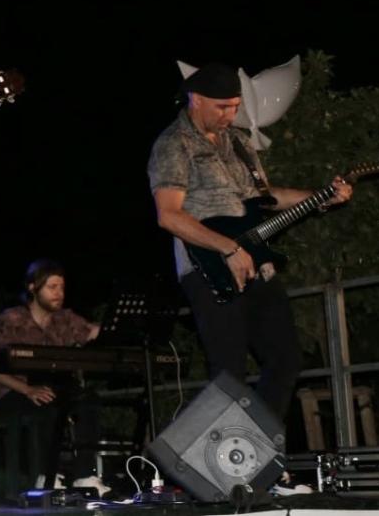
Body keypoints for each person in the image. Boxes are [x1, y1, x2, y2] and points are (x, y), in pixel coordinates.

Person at [148, 62, 351, 419]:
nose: (231, 113)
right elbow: (169, 215)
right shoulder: (173, 144)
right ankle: (222, 466)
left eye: (235, 105)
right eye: (222, 106)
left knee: (286, 359)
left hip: (257, 264)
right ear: (195, 99)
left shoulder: (240, 143)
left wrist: (320, 197)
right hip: (208, 267)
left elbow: (265, 196)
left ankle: (259, 451)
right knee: (229, 372)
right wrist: (228, 248)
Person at [0, 259, 99, 497]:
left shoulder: (66, 319)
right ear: (33, 288)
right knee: (46, 404)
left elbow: (93, 333)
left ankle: (85, 475)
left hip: (54, 389)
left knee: (88, 400)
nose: (59, 293)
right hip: (15, 392)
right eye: (52, 287)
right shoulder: (12, 319)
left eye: (62, 287)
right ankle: (45, 476)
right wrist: (27, 390)